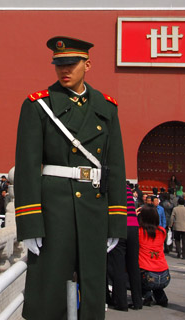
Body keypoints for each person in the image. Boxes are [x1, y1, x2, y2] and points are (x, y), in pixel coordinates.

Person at [14, 36, 127, 320]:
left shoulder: (107, 107)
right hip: (55, 207)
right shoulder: (39, 106)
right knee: (49, 289)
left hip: (94, 205)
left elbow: (115, 167)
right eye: (59, 64)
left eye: (71, 64)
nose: (64, 70)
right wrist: (29, 223)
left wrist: (115, 221)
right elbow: (27, 167)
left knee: (91, 288)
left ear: (87, 64)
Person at [138, 206, 170, 307]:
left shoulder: (139, 232)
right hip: (165, 274)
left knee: (135, 271)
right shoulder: (162, 231)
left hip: (147, 273)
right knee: (156, 285)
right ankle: (161, 298)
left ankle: (146, 295)